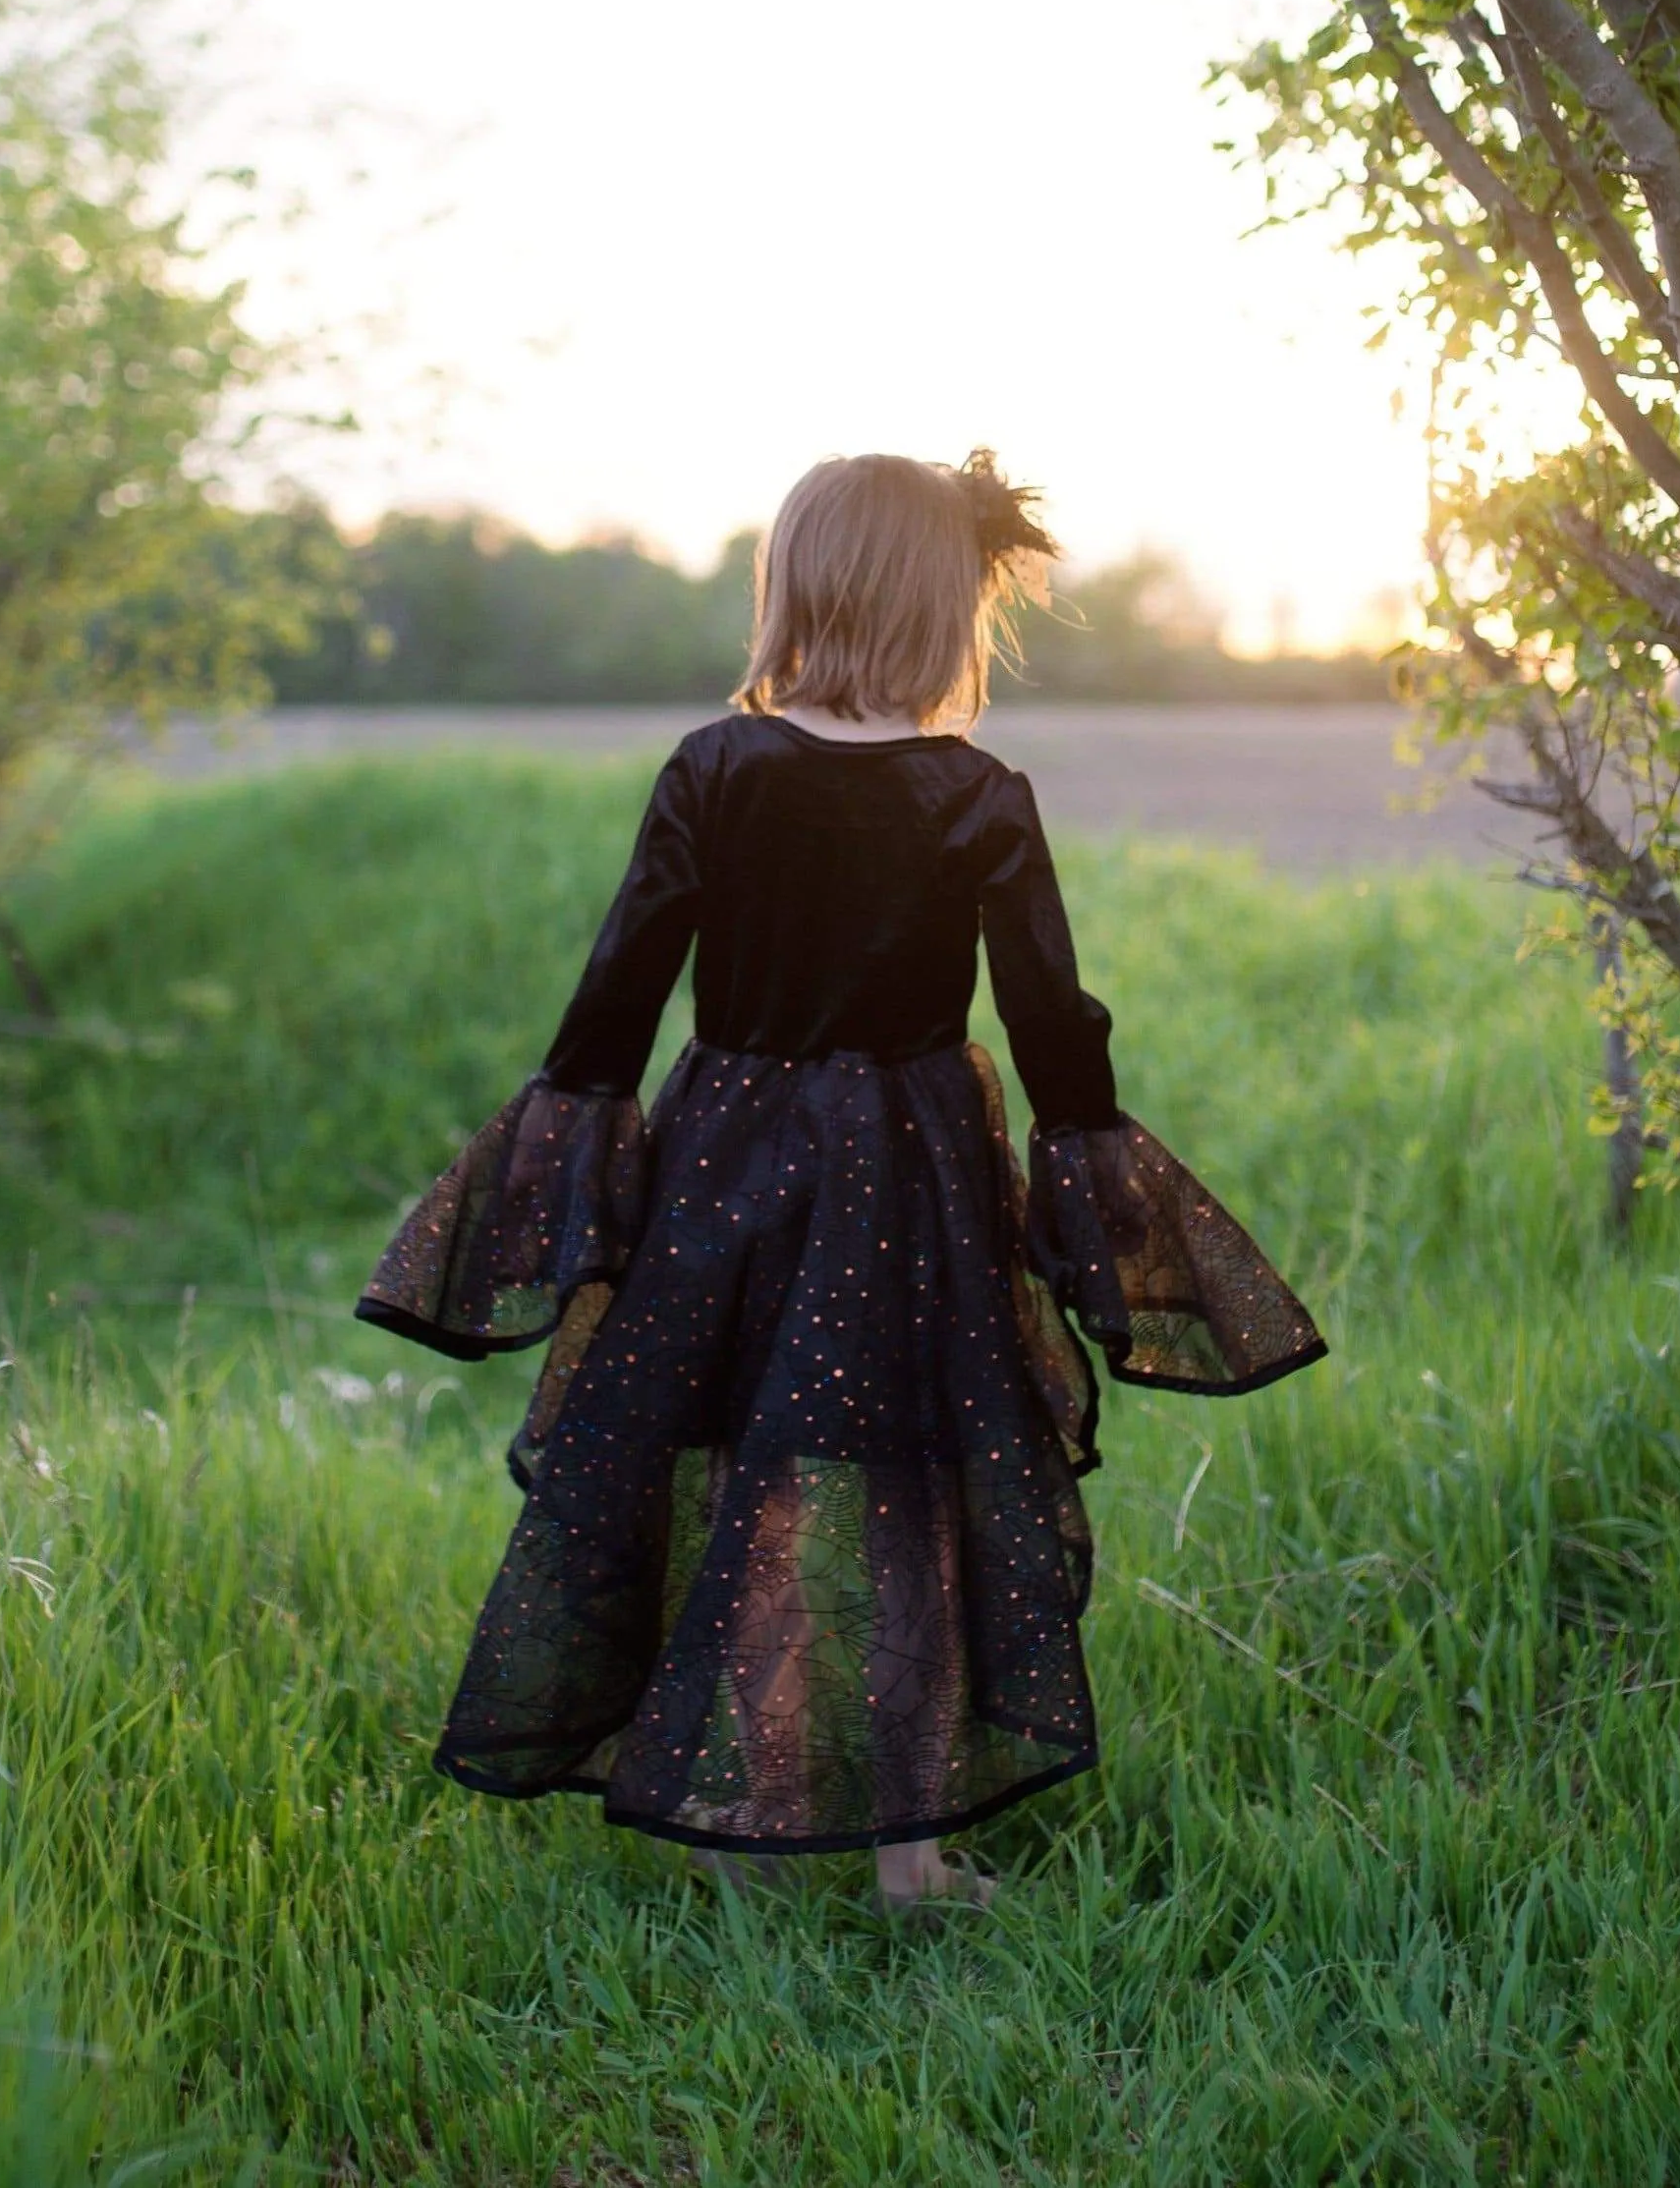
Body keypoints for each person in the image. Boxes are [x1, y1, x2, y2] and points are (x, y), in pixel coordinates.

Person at [358, 449, 1321, 1914]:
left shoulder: (714, 769)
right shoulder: (975, 792)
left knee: (721, 1460)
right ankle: (905, 1856)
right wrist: (1104, 1204)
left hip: (725, 1164)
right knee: (911, 1488)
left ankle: (718, 1810)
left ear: (795, 586)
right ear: (948, 607)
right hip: (913, 1179)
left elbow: (619, 987)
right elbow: (1053, 1021)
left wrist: (565, 1172)